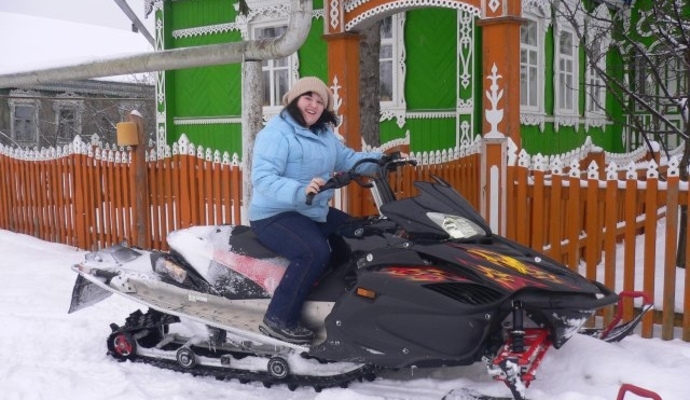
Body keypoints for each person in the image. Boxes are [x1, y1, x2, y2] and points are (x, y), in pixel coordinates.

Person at [249, 76, 383, 344]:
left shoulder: (324, 135)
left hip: (311, 211)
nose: (313, 105)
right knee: (313, 252)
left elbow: (349, 160)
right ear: (294, 100)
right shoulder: (276, 133)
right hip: (274, 214)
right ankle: (278, 319)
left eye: (320, 101)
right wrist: (300, 190)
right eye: (308, 97)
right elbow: (263, 178)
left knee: (357, 235)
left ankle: (335, 306)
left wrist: (382, 161)